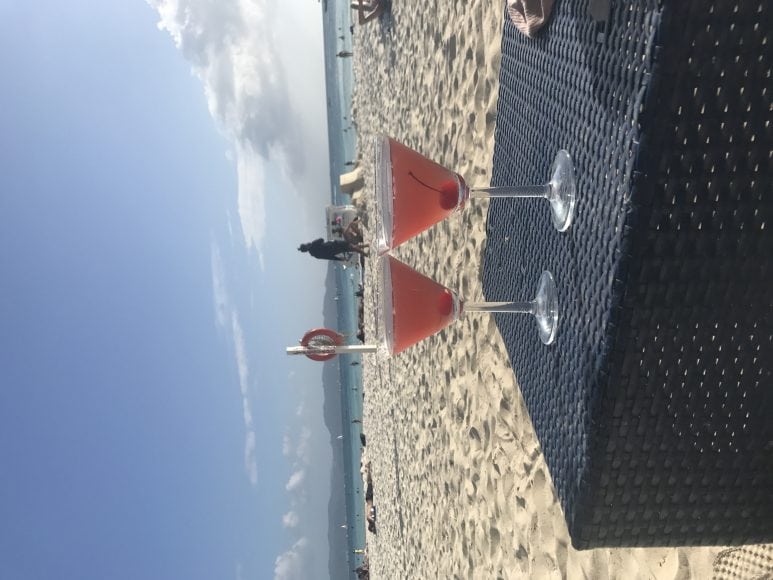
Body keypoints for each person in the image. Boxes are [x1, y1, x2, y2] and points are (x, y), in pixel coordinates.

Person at [298, 238, 368, 261]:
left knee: (351, 248)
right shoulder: (313, 244)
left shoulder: (315, 255)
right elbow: (321, 239)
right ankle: (366, 254)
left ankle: (366, 245)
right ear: (305, 245)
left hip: (335, 251)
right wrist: (312, 243)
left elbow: (328, 257)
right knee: (351, 247)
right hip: (334, 244)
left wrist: (339, 259)